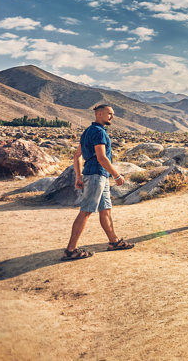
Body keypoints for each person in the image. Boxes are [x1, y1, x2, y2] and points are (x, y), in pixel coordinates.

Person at [62, 104, 135, 260]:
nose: (112, 117)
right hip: (96, 176)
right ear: (99, 114)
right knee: (86, 211)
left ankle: (114, 241)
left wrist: (79, 176)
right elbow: (102, 158)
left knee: (106, 209)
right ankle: (70, 250)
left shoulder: (88, 131)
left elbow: (77, 156)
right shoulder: (99, 133)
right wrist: (116, 175)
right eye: (109, 113)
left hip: (95, 175)